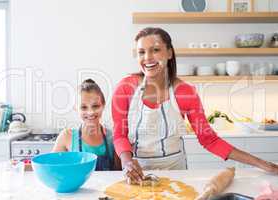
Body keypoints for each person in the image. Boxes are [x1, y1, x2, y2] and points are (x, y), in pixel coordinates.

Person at [112, 27, 278, 183]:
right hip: (136, 173)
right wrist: (127, 162)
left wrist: (262, 164)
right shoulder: (125, 88)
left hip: (175, 172)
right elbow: (120, 135)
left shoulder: (185, 92)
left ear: (169, 53)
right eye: (141, 52)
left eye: (155, 50)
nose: (147, 57)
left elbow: (209, 140)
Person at [53, 79, 121, 171]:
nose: (90, 112)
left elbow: (118, 174)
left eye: (95, 106)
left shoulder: (113, 137)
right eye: (84, 107)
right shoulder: (66, 137)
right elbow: (53, 169)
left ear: (103, 105)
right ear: (75, 108)